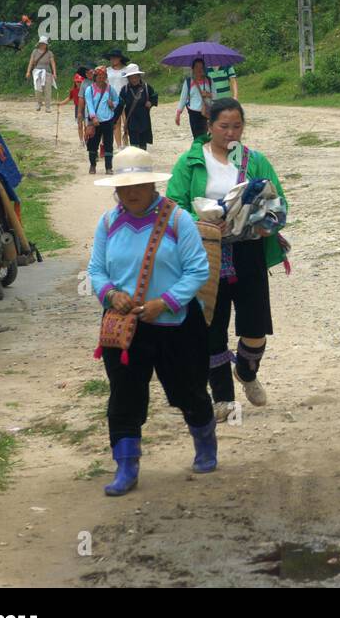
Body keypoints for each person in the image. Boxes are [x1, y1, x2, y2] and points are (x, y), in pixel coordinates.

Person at [87, 147, 216, 496]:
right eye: (125, 186)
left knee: (188, 389)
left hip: (175, 326)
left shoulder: (178, 220)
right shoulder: (108, 223)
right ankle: (126, 466)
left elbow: (197, 270)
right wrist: (111, 295)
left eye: (139, 185)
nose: (132, 192)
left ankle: (205, 441)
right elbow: (96, 270)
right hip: (125, 328)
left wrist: (166, 302)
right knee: (124, 397)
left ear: (152, 185)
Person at [167, 98, 289, 420]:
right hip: (206, 253)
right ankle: (222, 399)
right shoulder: (191, 162)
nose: (231, 133)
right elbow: (173, 204)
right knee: (212, 328)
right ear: (210, 126)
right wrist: (202, 221)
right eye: (224, 126)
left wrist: (267, 224)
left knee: (255, 327)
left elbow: (279, 202)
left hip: (248, 252)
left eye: (237, 126)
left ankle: (247, 372)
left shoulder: (255, 161)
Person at [83, 66, 120, 176]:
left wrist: (113, 104)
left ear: (106, 77)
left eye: (103, 76)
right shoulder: (90, 90)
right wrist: (93, 117)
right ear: (95, 77)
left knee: (108, 144)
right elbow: (89, 104)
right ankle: (92, 165)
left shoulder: (109, 88)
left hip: (108, 120)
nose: (101, 78)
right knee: (93, 144)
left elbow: (117, 100)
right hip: (95, 121)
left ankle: (108, 167)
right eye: (99, 76)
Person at [118, 64, 158, 152]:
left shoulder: (147, 87)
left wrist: (150, 102)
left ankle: (142, 163)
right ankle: (135, 163)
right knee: (134, 145)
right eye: (131, 77)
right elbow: (120, 105)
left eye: (136, 77)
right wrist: (114, 120)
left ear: (139, 76)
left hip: (144, 119)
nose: (134, 79)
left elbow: (154, 96)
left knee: (143, 145)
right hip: (131, 120)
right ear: (128, 78)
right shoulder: (125, 90)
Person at [175, 58, 216, 140]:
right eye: (197, 67)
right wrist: (178, 114)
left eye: (201, 67)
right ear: (192, 69)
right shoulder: (188, 82)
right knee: (197, 138)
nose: (199, 70)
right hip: (194, 114)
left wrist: (207, 94)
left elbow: (215, 96)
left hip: (207, 113)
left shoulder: (209, 81)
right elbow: (183, 99)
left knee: (208, 138)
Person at [25, 37, 57, 112]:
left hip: (47, 72)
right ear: (39, 44)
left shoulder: (49, 53)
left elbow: (53, 63)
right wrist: (28, 71)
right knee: (37, 89)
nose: (42, 45)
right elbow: (31, 61)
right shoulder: (35, 52)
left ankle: (47, 107)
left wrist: (54, 73)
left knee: (47, 90)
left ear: (46, 45)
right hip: (37, 72)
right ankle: (38, 104)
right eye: (41, 43)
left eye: (44, 44)